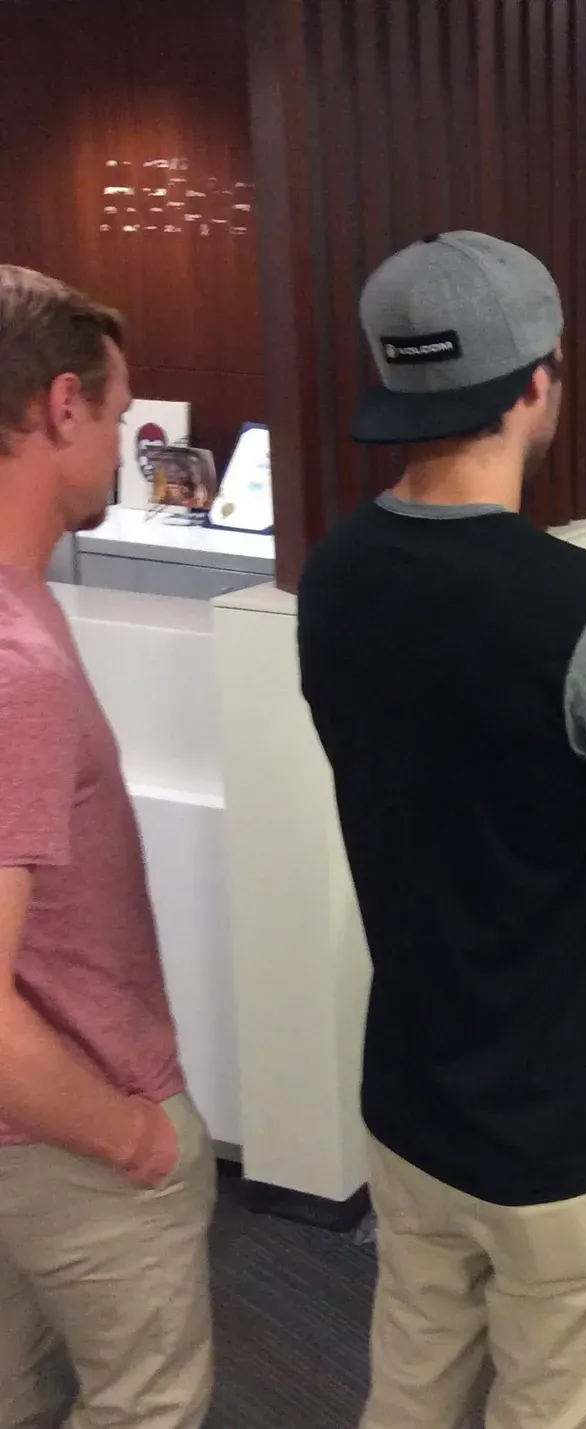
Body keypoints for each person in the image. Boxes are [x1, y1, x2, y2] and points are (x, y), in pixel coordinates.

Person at [298, 232, 586, 1429]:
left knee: (411, 1387)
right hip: (568, 1113)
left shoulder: (334, 574)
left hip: (417, 1086)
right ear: (539, 383)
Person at [0, 267, 216, 1428]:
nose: (128, 448)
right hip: (62, 1134)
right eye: (122, 417)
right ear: (61, 405)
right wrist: (130, 1135)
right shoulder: (15, 667)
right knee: (145, 1404)